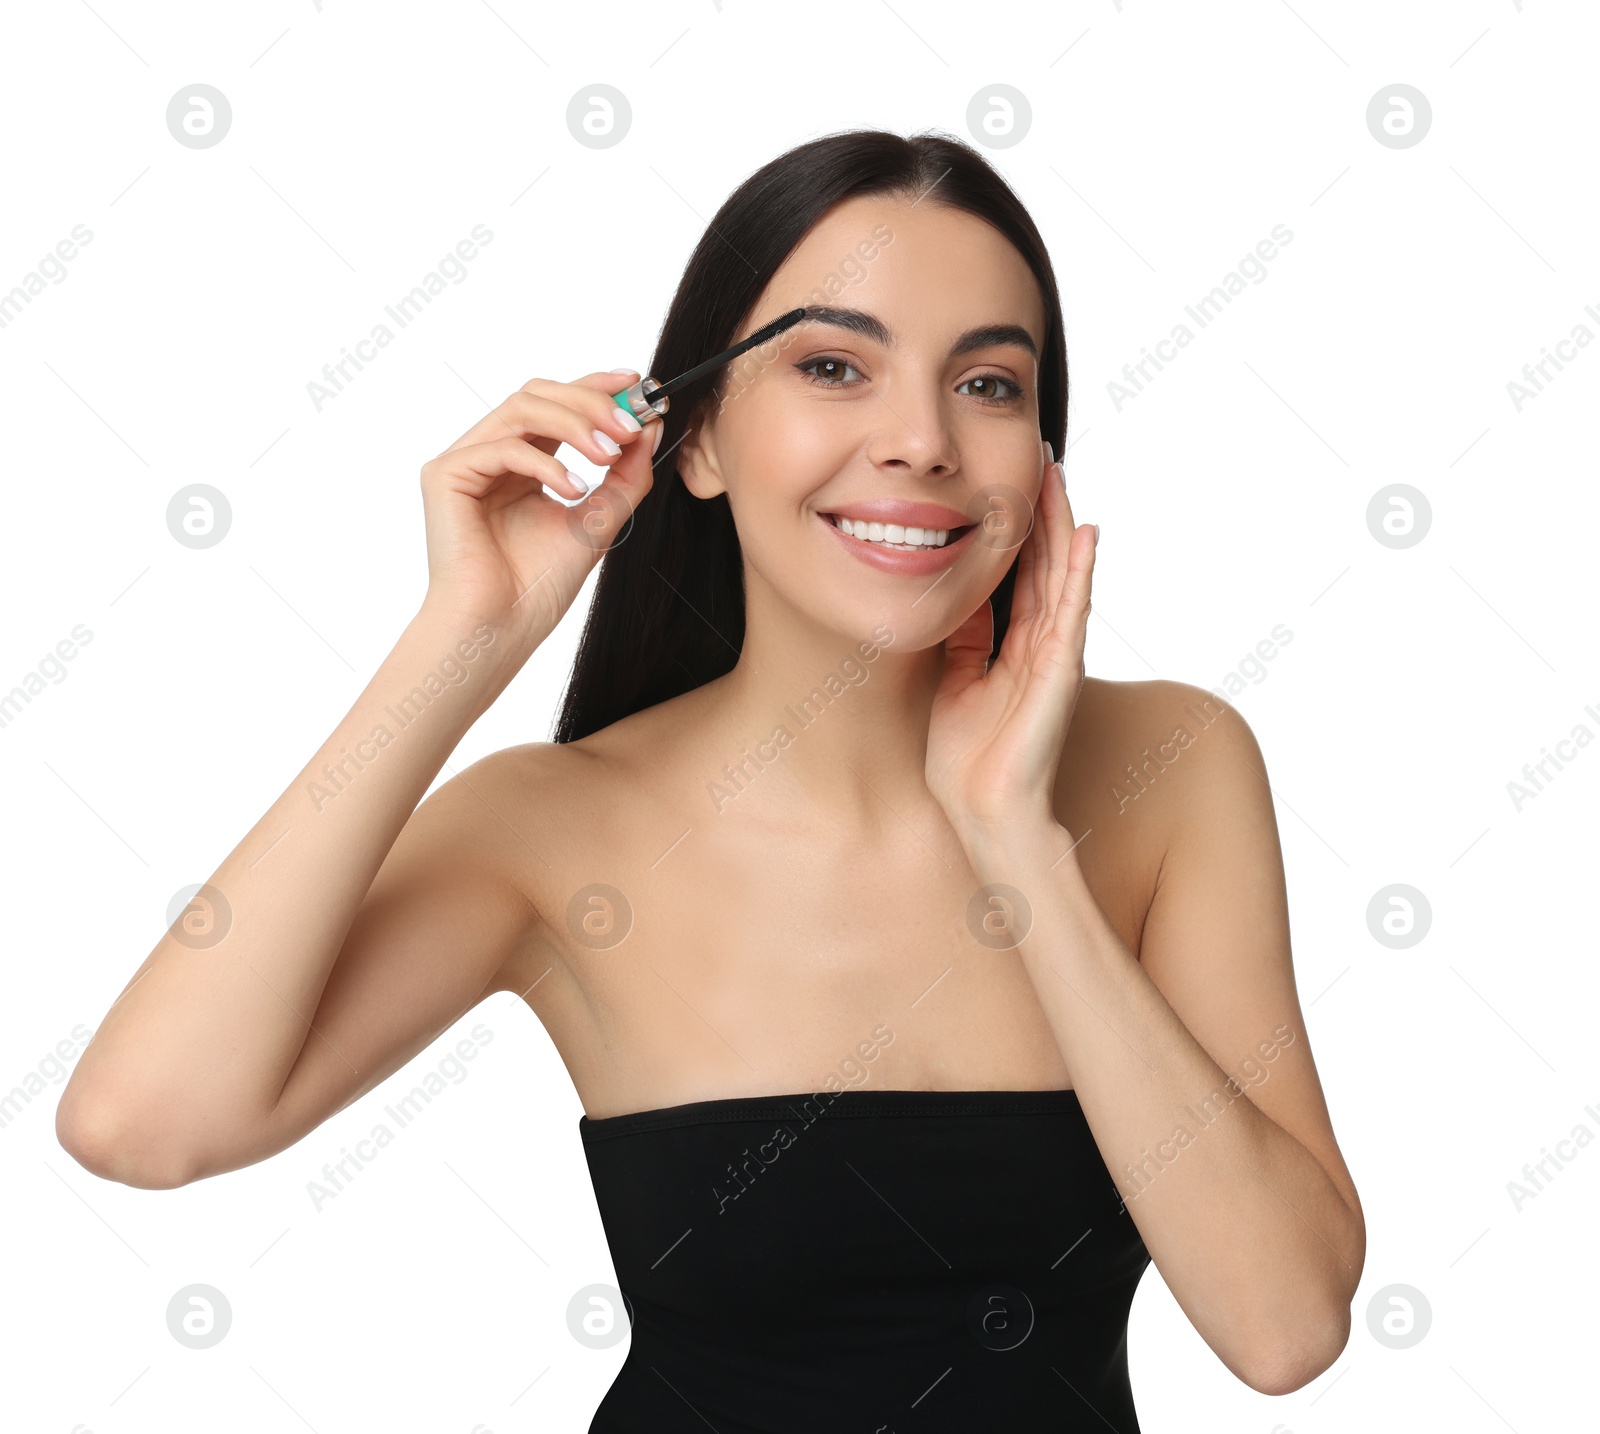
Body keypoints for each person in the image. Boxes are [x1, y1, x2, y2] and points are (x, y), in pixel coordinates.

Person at [58, 128, 1365, 1429]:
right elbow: (139, 1124)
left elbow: (1283, 1325)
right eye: (834, 365)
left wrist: (1018, 842)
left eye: (989, 385)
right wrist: (468, 637)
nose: (919, 439)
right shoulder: (552, 828)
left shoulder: (1177, 769)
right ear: (698, 446)